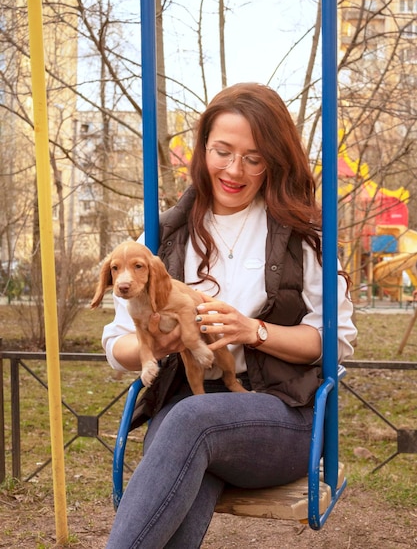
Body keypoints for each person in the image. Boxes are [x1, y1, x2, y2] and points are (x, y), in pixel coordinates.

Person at [102, 82, 357, 549]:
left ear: (273, 161)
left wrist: (254, 331)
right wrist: (154, 345)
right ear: (202, 150)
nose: (234, 170)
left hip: (279, 410)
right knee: (185, 444)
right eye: (222, 151)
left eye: (254, 158)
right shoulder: (164, 236)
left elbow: (334, 341)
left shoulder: (305, 233)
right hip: (194, 407)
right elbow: (117, 344)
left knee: (188, 422)